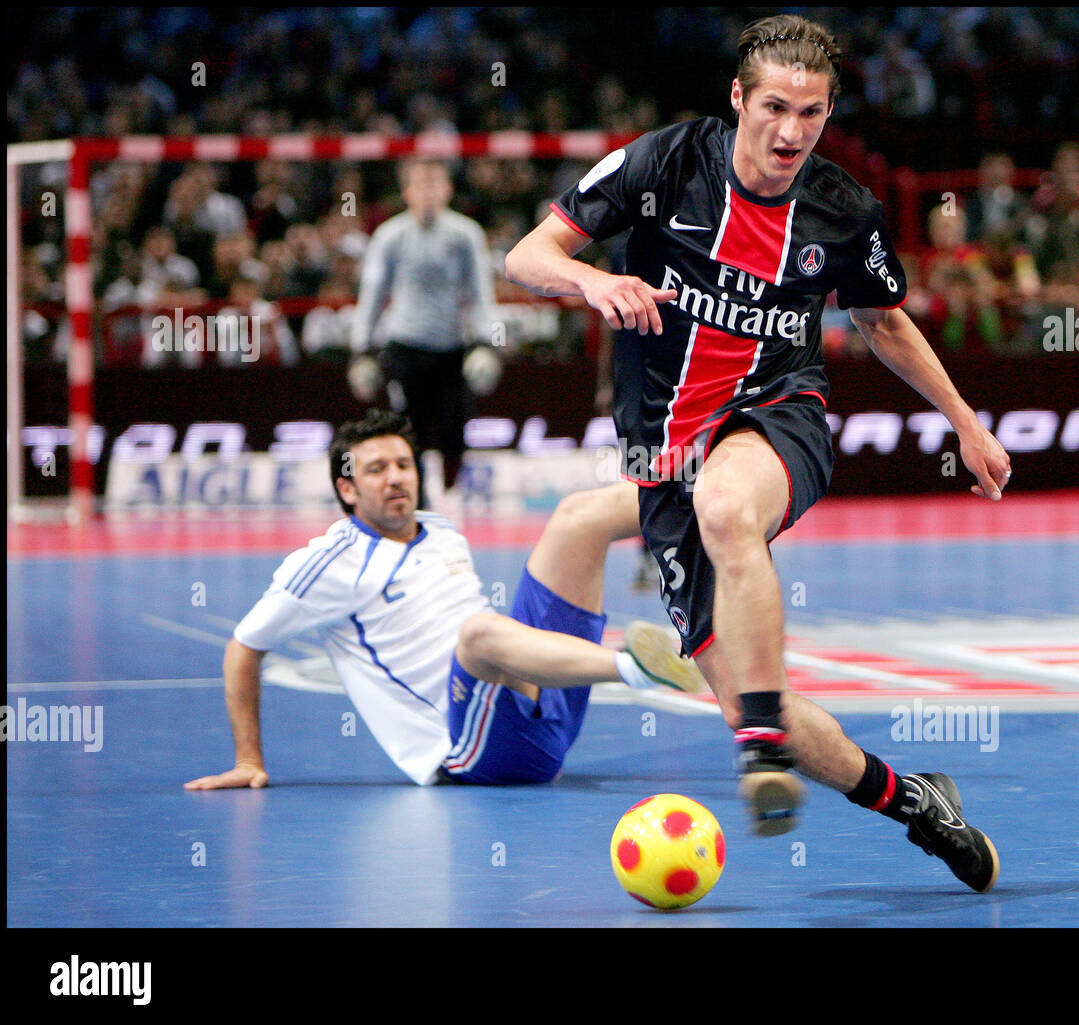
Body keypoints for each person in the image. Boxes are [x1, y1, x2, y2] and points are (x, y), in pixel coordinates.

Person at [505, 14, 1010, 891]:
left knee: (730, 509)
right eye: (774, 107)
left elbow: (884, 322)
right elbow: (527, 255)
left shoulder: (842, 209)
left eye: (811, 114)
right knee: (737, 697)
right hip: (663, 454)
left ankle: (763, 736)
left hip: (781, 414)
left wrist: (966, 422)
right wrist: (594, 280)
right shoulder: (665, 164)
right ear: (737, 99)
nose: (790, 131)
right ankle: (910, 798)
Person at [184, 409, 706, 791]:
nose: (395, 478)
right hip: (475, 751)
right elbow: (244, 646)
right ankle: (640, 669)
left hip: (539, 697)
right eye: (376, 469)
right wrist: (249, 759)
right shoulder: (328, 562)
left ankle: (718, 495)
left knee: (578, 517)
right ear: (347, 490)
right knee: (478, 634)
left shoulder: (440, 531)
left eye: (403, 465)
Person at [350, 160, 496, 499]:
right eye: (420, 184)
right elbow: (372, 294)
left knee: (454, 429)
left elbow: (481, 292)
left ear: (448, 190)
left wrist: (486, 343)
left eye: (435, 184)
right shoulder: (390, 236)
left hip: (451, 348)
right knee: (406, 432)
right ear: (406, 192)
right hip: (404, 347)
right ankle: (417, 500)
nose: (428, 193)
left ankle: (450, 492)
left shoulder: (466, 234)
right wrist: (361, 350)